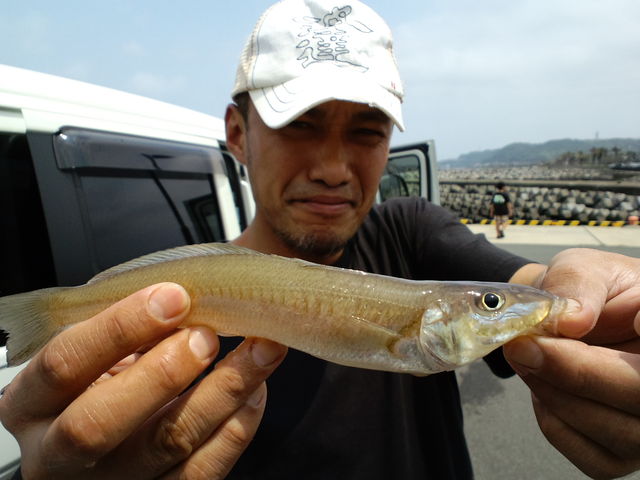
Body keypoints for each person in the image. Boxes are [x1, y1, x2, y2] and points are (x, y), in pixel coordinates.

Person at [2, 1, 640, 478]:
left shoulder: (411, 233)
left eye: (366, 131)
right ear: (237, 133)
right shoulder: (152, 333)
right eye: (301, 124)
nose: (334, 167)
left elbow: (531, 287)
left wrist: (594, 309)